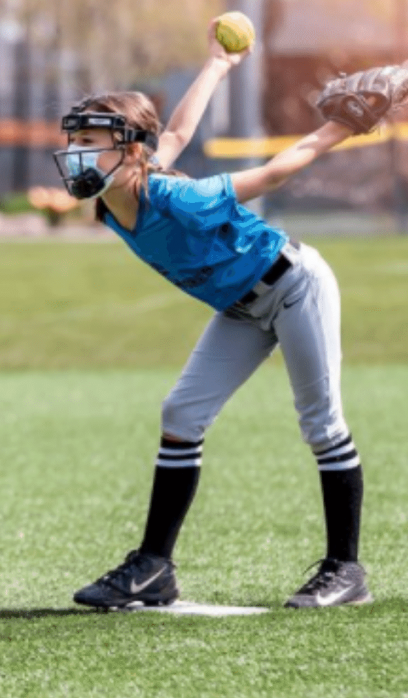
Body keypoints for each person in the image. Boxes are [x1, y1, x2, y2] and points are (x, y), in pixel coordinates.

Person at [65, 19, 369, 610]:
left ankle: (346, 569)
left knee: (322, 424)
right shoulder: (115, 196)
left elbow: (279, 171)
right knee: (181, 413)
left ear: (129, 149)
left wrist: (343, 125)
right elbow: (176, 131)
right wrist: (218, 66)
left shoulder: (179, 198)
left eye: (89, 141)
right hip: (240, 307)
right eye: (75, 139)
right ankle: (154, 567)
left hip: (295, 286)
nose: (75, 152)